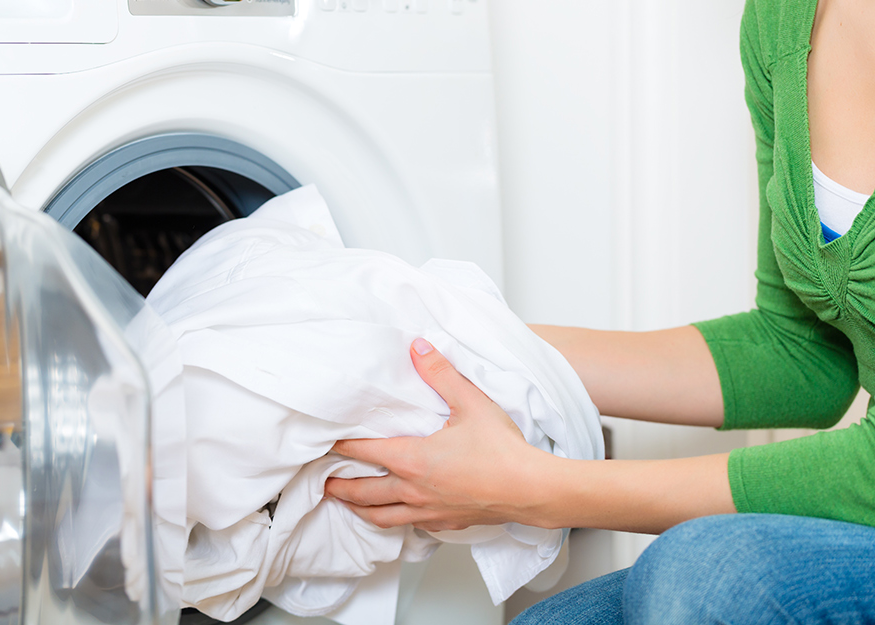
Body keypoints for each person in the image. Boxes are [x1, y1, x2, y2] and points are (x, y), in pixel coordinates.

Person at [324, 0, 875, 621]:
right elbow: (799, 354)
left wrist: (535, 491)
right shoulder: (781, 19)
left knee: (708, 573)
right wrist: (461, 341)